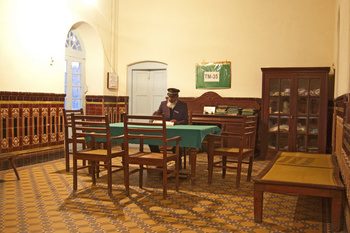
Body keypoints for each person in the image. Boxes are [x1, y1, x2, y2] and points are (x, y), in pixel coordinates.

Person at [149, 88, 188, 168]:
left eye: (172, 97)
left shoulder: (183, 105)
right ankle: (159, 161)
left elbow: (186, 121)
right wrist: (155, 117)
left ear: (177, 97)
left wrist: (177, 122)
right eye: (169, 97)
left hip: (176, 131)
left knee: (177, 143)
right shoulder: (163, 104)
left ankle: (178, 162)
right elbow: (158, 113)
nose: (170, 99)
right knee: (151, 141)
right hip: (163, 130)